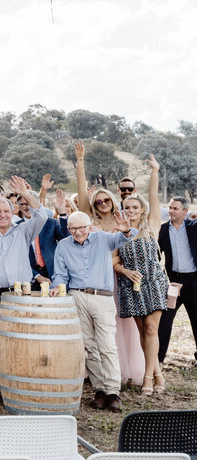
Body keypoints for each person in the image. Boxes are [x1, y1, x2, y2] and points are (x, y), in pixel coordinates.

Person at [0, 176, 51, 405]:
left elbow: (42, 215)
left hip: (22, 294)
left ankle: (22, 385)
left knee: (24, 340)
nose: (3, 215)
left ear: (12, 211)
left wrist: (25, 193)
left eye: (6, 211)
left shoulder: (24, 230)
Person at [52, 207, 135, 411]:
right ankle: (99, 390)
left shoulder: (103, 238)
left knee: (106, 345)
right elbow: (60, 274)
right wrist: (57, 287)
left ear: (89, 227)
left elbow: (124, 239)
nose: (78, 232)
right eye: (73, 229)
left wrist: (125, 231)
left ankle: (113, 391)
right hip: (77, 296)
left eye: (81, 228)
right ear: (68, 229)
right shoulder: (63, 246)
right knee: (88, 346)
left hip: (102, 297)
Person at [75, 142, 143, 387]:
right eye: (98, 201)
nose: (102, 203)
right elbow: (83, 196)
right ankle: (98, 373)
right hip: (93, 279)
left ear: (113, 201)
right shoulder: (89, 220)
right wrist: (80, 162)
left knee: (119, 327)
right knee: (95, 329)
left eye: (106, 200)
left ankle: (123, 372)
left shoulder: (121, 220)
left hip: (116, 277)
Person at [113, 154, 169, 395]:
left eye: (135, 207)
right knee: (140, 332)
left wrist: (155, 171)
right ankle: (157, 372)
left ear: (142, 209)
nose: (131, 210)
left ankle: (148, 377)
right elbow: (114, 260)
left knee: (150, 330)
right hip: (130, 286)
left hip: (154, 283)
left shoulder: (152, 224)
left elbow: (154, 197)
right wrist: (125, 271)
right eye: (127, 207)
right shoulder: (119, 230)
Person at [158, 194, 197, 365]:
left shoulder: (194, 227)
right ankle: (158, 359)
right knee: (164, 319)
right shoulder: (163, 230)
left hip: (194, 282)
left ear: (185, 211)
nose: (171, 211)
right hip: (174, 283)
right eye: (170, 208)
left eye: (175, 208)